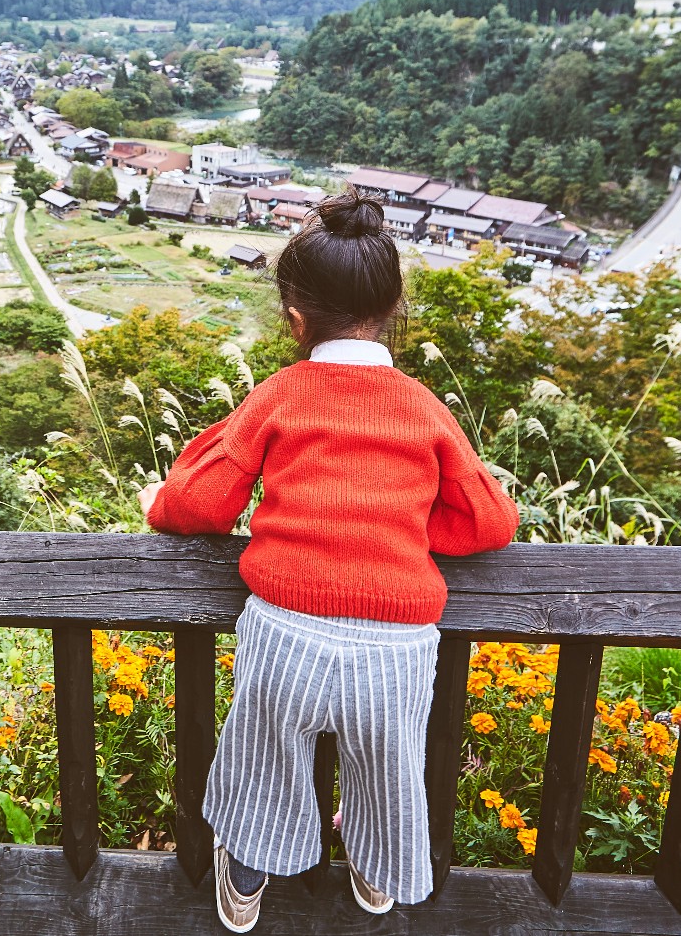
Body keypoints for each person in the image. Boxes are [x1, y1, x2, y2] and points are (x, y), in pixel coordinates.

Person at [138, 192, 518, 930]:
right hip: (398, 646)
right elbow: (489, 518)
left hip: (288, 632)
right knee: (388, 767)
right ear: (390, 307)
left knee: (262, 762)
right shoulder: (423, 407)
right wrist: (403, 525)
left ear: (296, 317)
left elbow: (203, 500)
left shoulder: (281, 393)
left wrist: (160, 500)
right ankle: (376, 873)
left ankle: (246, 876)